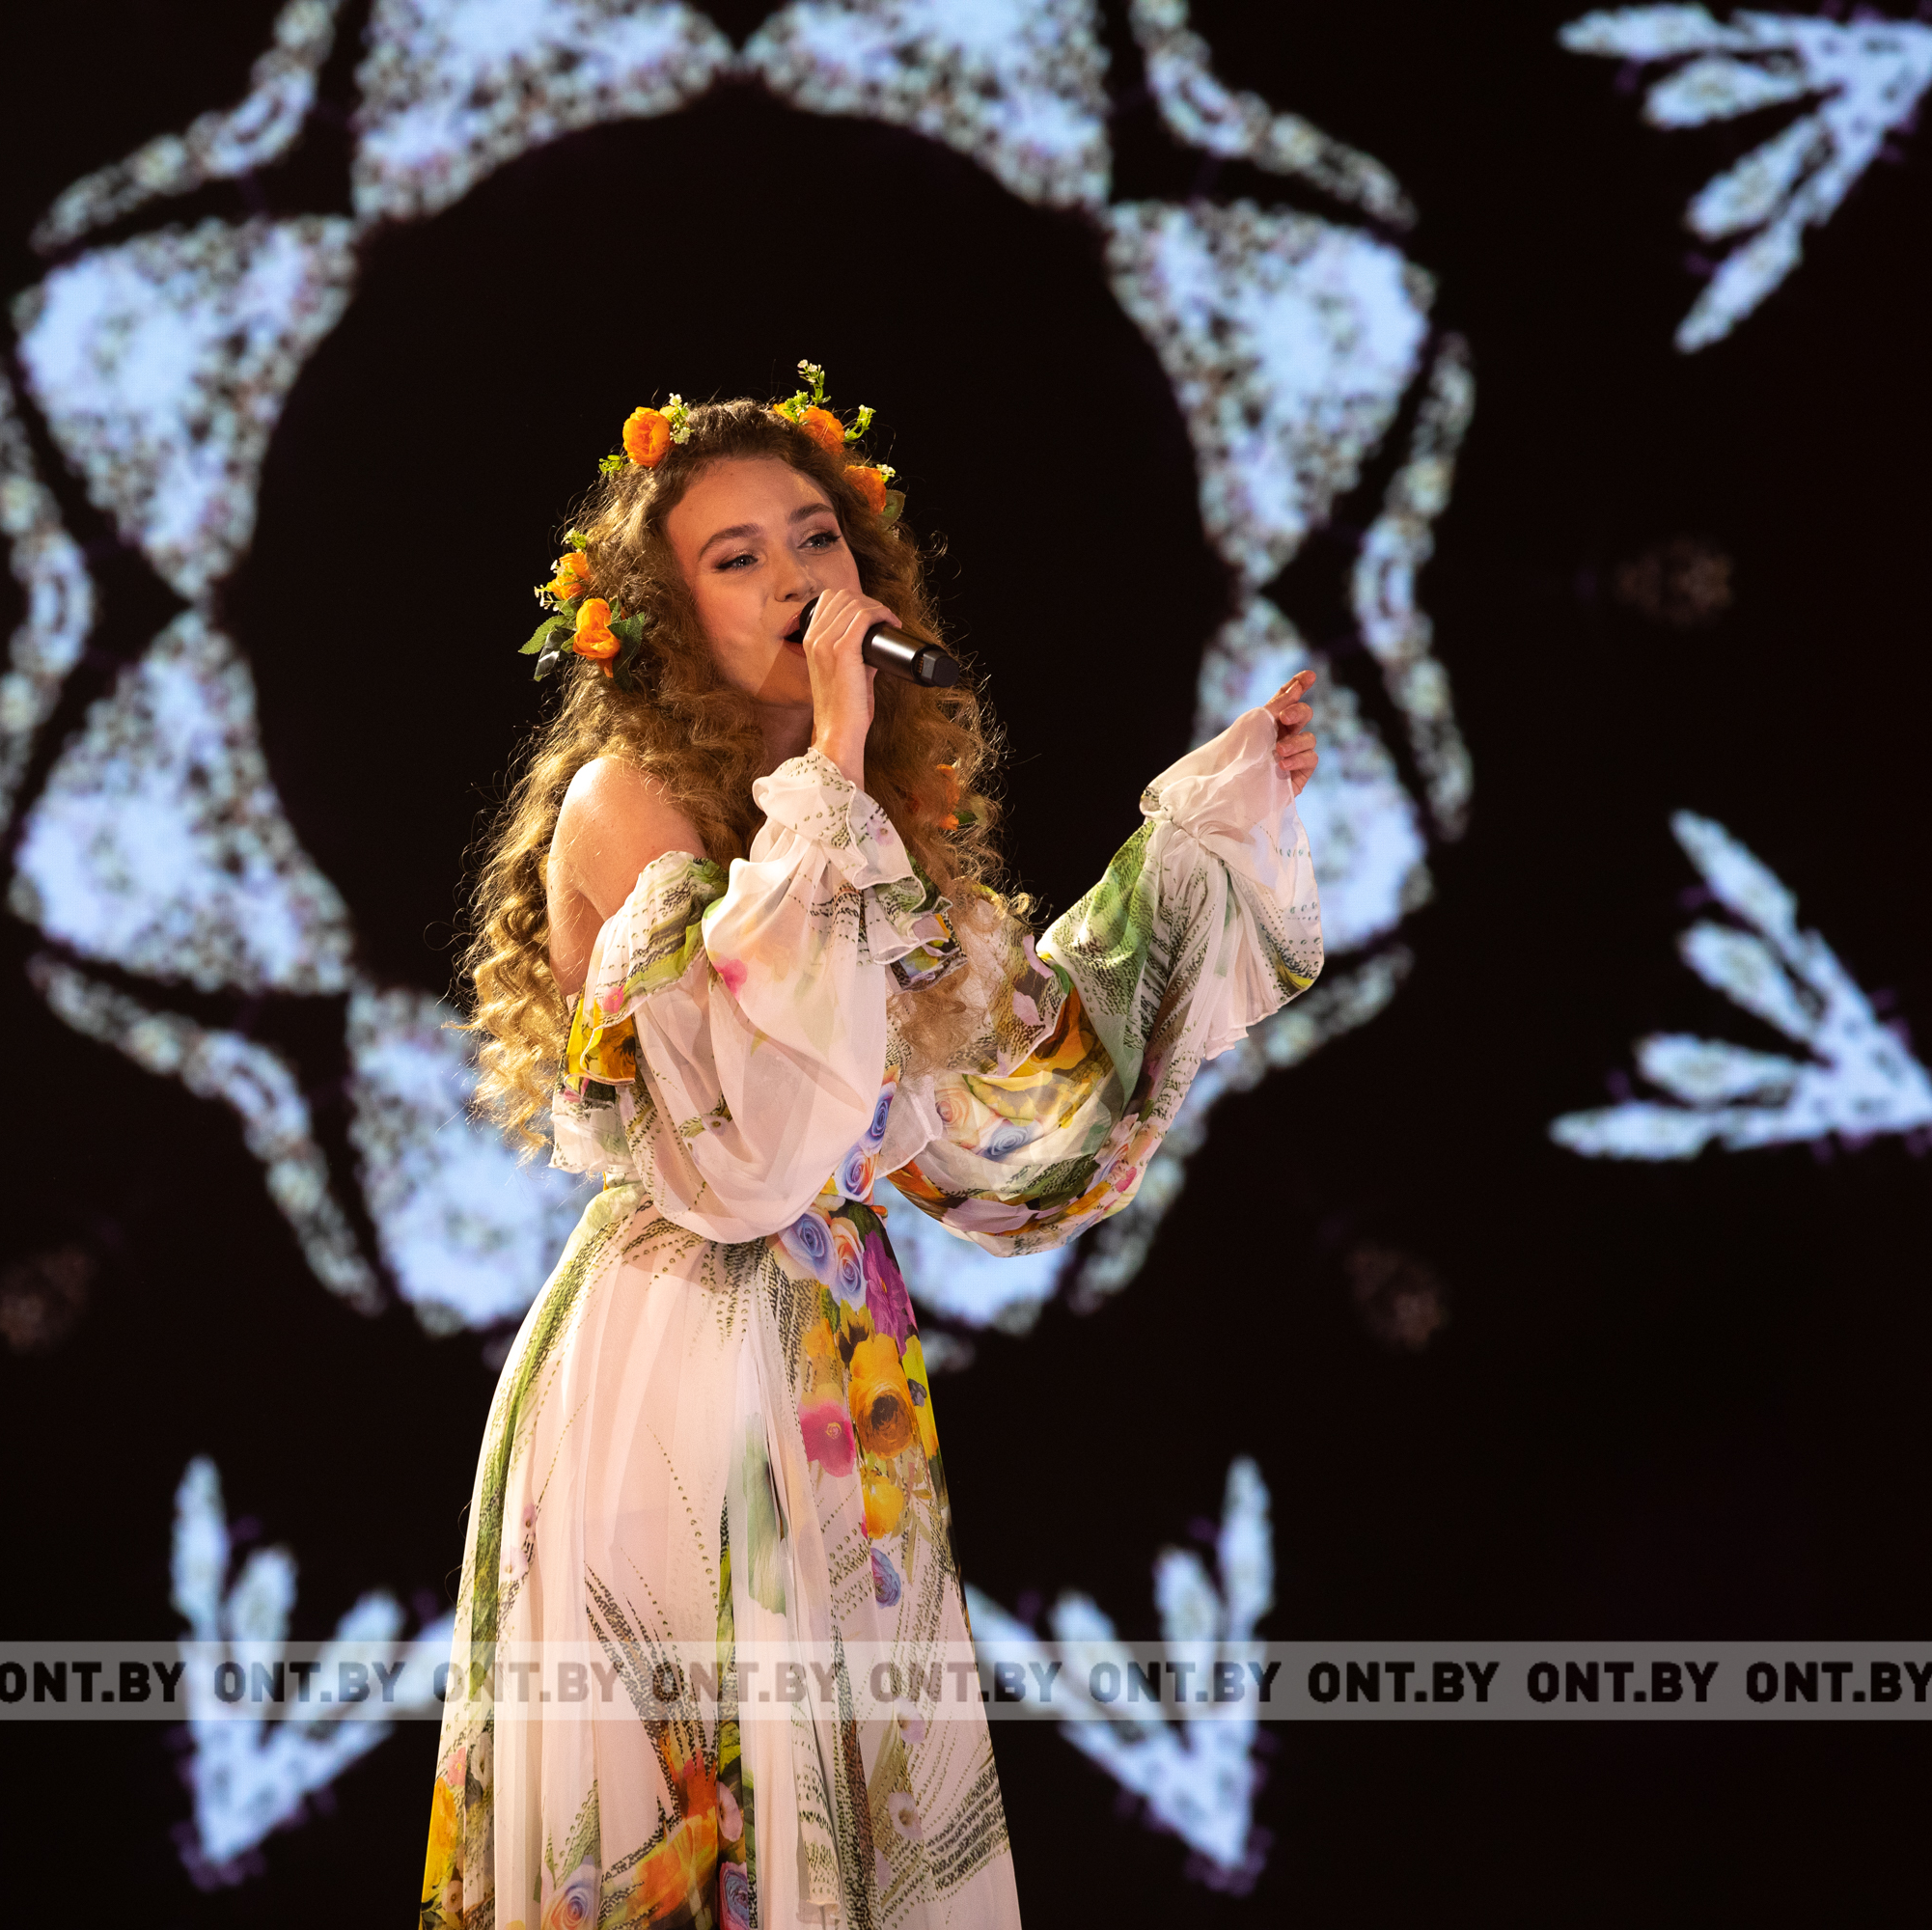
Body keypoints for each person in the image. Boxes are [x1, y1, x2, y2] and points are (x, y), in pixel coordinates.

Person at [422, 369, 1322, 1930]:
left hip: (844, 1367)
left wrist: (1208, 835)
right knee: (699, 1821)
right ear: (661, 616)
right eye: (737, 557)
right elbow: (751, 1150)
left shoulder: (857, 836)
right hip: (684, 1357)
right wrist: (834, 759)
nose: (795, 578)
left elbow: (1015, 1108)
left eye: (815, 538)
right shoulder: (629, 803)